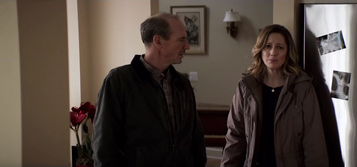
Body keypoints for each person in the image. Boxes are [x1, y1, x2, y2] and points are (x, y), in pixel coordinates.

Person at [92, 13, 207, 167]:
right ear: (158, 41)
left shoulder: (182, 83)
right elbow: (104, 146)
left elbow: (196, 140)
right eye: (181, 40)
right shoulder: (118, 81)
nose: (187, 46)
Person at [221, 24, 329, 167]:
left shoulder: (302, 88)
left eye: (280, 47)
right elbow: (235, 137)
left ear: (287, 52)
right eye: (268, 46)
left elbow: (314, 142)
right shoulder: (246, 87)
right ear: (260, 50)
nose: (273, 52)